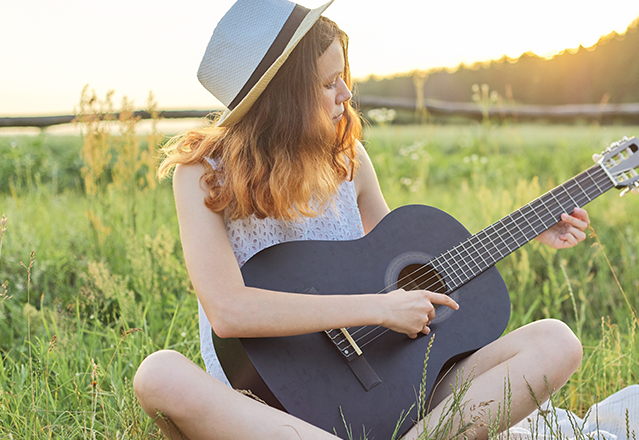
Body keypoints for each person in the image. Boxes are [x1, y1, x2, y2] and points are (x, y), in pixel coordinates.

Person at [132, 0, 589, 438]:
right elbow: (229, 311)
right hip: (270, 405)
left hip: (388, 387)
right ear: (283, 97)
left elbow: (399, 266)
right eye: (329, 83)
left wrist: (528, 227)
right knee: (158, 375)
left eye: (344, 77)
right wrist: (374, 308)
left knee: (556, 341)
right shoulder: (203, 174)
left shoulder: (348, 159)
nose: (346, 95)